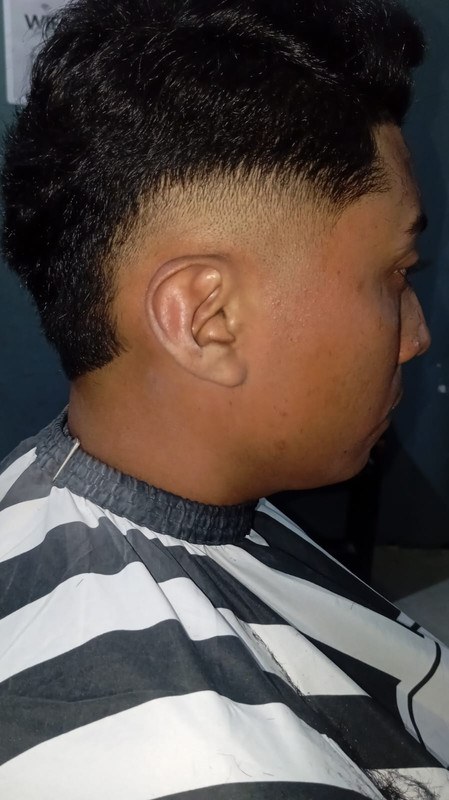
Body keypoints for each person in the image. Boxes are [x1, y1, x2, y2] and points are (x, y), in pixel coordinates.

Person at [0, 0, 447, 798]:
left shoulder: (153, 485)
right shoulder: (202, 765)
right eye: (395, 274)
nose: (415, 335)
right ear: (208, 319)